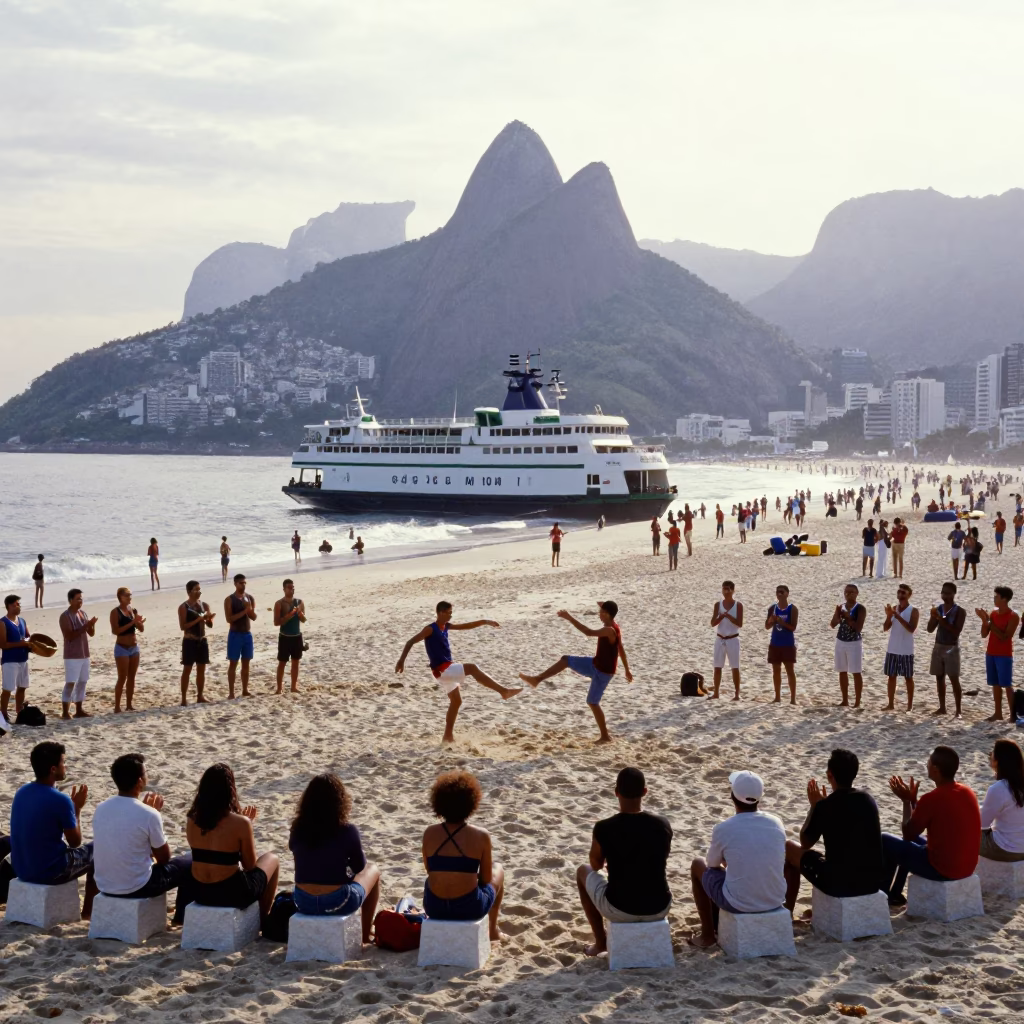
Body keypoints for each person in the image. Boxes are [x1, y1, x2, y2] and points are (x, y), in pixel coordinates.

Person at [689, 770, 797, 949]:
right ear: (759, 798)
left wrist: (728, 861)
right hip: (775, 899)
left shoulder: (724, 828)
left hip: (739, 904)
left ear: (732, 796)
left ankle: (707, 934)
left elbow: (712, 865)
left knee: (697, 865)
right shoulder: (776, 822)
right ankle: (789, 918)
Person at [576, 767, 672, 956]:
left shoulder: (604, 827)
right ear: (645, 792)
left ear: (616, 792)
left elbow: (595, 865)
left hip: (620, 907)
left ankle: (601, 942)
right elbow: (662, 856)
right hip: (659, 906)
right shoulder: (662, 824)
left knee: (582, 871)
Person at [396, 602, 521, 744]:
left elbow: (466, 626)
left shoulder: (446, 627)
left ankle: (447, 737)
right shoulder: (430, 629)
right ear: (441, 612)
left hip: (444, 671)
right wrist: (401, 661)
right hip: (443, 670)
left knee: (456, 701)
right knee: (472, 668)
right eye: (449, 612)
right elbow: (410, 642)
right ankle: (504, 691)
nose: (451, 615)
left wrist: (486, 622)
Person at [93, 753, 192, 923]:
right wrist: (155, 814)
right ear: (139, 781)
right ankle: (180, 918)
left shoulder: (101, 808)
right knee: (191, 861)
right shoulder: (148, 813)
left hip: (105, 885)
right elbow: (164, 858)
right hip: (138, 887)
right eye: (145, 773)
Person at [519, 602, 633, 744]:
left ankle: (605, 736)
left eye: (601, 612)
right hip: (594, 664)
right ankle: (537, 679)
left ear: (607, 614)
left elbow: (588, 632)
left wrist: (569, 618)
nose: (599, 614)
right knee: (566, 660)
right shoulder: (613, 624)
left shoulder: (610, 630)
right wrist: (627, 670)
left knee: (592, 702)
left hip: (603, 672)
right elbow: (620, 648)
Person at [881, 746, 980, 905]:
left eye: (928, 762)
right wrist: (914, 802)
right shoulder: (967, 792)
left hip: (943, 870)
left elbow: (908, 832)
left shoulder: (932, 798)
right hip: (967, 867)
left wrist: (907, 802)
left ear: (935, 769)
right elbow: (921, 822)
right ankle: (895, 893)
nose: (926, 765)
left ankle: (884, 895)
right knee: (907, 844)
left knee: (885, 839)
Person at [783, 749, 885, 902]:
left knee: (790, 847)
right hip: (872, 882)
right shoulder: (867, 800)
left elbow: (805, 842)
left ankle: (788, 912)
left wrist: (814, 806)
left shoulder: (825, 805)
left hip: (840, 884)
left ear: (830, 774)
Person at [10, 741, 97, 918]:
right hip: (50, 871)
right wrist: (77, 809)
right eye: (63, 762)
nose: (65, 766)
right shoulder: (60, 800)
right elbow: (75, 842)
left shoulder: (22, 792)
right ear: (53, 769)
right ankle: (88, 912)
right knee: (99, 850)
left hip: (21, 868)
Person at [182, 763, 279, 923]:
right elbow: (250, 866)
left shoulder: (192, 819)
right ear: (230, 790)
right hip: (231, 894)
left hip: (200, 891)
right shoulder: (241, 823)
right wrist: (247, 826)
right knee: (272, 859)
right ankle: (261, 919)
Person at [289, 774, 381, 942]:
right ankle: (365, 934)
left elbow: (296, 855)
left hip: (302, 901)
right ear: (340, 802)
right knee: (373, 871)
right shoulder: (347, 830)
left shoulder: (297, 828)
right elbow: (359, 866)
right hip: (337, 903)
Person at [422, 770, 504, 940]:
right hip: (469, 908)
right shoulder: (481, 835)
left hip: (434, 907)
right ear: (471, 803)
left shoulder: (429, 833)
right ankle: (493, 931)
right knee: (498, 870)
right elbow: (485, 879)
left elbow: (429, 871)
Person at [976, 586, 1020, 722]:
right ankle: (998, 713)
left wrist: (989, 622)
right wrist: (984, 621)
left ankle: (1013, 715)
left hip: (1004, 654)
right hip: (991, 652)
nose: (994, 599)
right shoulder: (993, 614)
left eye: (996, 596)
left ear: (1004, 599)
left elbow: (1005, 637)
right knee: (995, 684)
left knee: (1007, 685)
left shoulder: (1013, 616)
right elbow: (984, 634)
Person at [980, 739, 1024, 862]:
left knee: (962, 833)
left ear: (1000, 760)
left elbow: (982, 824)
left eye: (993, 752)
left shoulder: (999, 788)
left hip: (1008, 850)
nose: (990, 754)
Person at [927, 582, 966, 718]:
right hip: (939, 645)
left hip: (952, 647)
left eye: (948, 593)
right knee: (939, 678)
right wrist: (934, 617)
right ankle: (942, 707)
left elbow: (956, 631)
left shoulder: (960, 611)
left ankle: (958, 710)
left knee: (954, 678)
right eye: (943, 593)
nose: (945, 595)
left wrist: (942, 621)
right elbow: (930, 629)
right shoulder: (939, 609)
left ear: (954, 594)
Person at [59, 588, 96, 719]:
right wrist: (86, 626)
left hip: (84, 653)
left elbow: (91, 633)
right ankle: (65, 711)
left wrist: (91, 625)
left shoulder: (83, 614)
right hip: (72, 655)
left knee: (83, 681)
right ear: (70, 601)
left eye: (81, 598)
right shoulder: (65, 616)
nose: (80, 601)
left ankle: (79, 710)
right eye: (77, 599)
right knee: (70, 682)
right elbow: (69, 635)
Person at [883, 584, 918, 712]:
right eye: (899, 592)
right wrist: (889, 616)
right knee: (891, 676)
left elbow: (911, 629)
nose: (901, 595)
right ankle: (891, 704)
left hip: (906, 650)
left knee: (908, 677)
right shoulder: (893, 608)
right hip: (892, 648)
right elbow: (885, 628)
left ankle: (909, 705)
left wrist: (897, 616)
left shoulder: (913, 610)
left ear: (909, 595)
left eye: (904, 593)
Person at [179, 580, 215, 706]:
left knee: (201, 669)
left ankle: (200, 695)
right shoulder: (184, 607)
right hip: (189, 640)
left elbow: (209, 625)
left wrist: (209, 619)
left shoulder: (204, 605)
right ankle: (183, 698)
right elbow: (183, 626)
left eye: (199, 589)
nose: (199, 592)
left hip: (202, 639)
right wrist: (198, 619)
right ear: (189, 592)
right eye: (196, 589)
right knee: (187, 669)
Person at [831, 584, 866, 708]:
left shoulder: (860, 608)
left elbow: (858, 628)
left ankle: (857, 701)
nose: (848, 594)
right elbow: (832, 624)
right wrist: (838, 615)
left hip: (854, 642)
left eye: (851, 592)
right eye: (846, 592)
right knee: (842, 671)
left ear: (857, 593)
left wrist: (848, 618)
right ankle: (845, 700)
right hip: (841, 641)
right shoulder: (841, 607)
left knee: (856, 672)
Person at [110, 587, 144, 713]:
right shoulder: (115, 612)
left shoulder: (132, 610)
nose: (129, 597)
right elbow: (116, 631)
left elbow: (141, 629)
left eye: (130, 595)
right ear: (120, 597)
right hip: (122, 648)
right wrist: (132, 623)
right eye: (127, 595)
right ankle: (117, 706)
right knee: (122, 677)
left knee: (132, 677)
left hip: (134, 647)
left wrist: (138, 622)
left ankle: (129, 704)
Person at [709, 580, 743, 701]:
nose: (726, 591)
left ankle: (737, 694)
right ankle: (716, 693)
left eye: (728, 589)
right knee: (717, 667)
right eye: (724, 589)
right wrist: (721, 617)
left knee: (735, 667)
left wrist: (728, 616)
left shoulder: (738, 605)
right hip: (720, 638)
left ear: (733, 590)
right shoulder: (718, 605)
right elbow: (712, 623)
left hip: (733, 639)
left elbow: (740, 623)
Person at [224, 574, 256, 700]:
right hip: (235, 634)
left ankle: (245, 689)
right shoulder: (229, 599)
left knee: (246, 663)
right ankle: (231, 692)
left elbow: (253, 617)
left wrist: (249, 610)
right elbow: (229, 619)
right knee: (233, 663)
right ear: (235, 584)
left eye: (244, 583)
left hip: (247, 634)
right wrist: (244, 611)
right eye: (241, 583)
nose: (243, 585)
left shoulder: (249, 598)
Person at [765, 585, 798, 705]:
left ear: (787, 594)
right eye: (777, 592)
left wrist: (780, 622)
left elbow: (793, 627)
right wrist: (771, 621)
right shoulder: (773, 608)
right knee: (776, 671)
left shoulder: (792, 609)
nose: (779, 594)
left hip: (787, 644)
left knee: (790, 671)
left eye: (782, 592)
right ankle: (777, 697)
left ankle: (793, 698)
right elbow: (767, 626)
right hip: (775, 643)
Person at [1, 594, 32, 723]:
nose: (17, 607)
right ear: (8, 606)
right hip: (10, 660)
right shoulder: (3, 622)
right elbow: (3, 645)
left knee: (22, 686)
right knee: (8, 688)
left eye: (18, 604)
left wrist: (32, 645)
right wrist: (22, 643)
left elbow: (29, 638)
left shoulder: (22, 621)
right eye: (14, 605)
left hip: (23, 659)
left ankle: (19, 711)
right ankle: (3, 713)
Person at [274, 578, 306, 694]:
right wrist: (290, 615)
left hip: (296, 636)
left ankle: (293, 686)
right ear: (284, 589)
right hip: (285, 636)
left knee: (295, 662)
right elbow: (276, 622)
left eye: (293, 588)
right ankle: (279, 688)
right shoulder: (279, 604)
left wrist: (300, 614)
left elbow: (304, 620)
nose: (291, 590)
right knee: (282, 662)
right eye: (289, 588)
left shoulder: (299, 602)